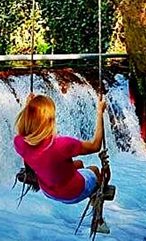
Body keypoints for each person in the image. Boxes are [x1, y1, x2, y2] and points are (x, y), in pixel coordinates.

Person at [13, 93, 111, 232]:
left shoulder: (19, 143)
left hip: (49, 191)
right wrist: (99, 112)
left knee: (79, 164)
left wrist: (28, 107)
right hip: (74, 192)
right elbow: (96, 145)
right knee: (94, 169)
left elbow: (24, 130)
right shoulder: (62, 145)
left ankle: (92, 203)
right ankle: (98, 218)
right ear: (50, 120)